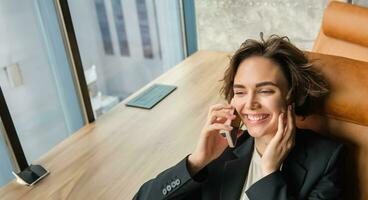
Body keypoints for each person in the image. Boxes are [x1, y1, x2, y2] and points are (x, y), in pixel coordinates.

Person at [133, 34, 344, 200]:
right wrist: (196, 162)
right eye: (240, 92)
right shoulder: (225, 149)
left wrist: (269, 173)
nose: (250, 104)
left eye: (265, 91)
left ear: (293, 95)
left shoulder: (327, 160)